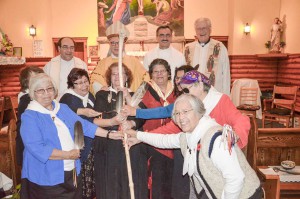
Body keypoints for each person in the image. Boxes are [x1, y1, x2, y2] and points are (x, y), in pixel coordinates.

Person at [125, 94, 262, 198]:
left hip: (245, 195)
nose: (181, 117)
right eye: (177, 114)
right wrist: (137, 136)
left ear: (198, 112)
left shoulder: (215, 138)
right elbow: (164, 140)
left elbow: (235, 178)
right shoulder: (189, 136)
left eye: (186, 111)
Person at [20, 73, 123, 199]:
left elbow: (84, 125)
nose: (46, 94)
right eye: (41, 90)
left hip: (71, 170)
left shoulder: (61, 108)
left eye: (50, 88)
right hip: (46, 177)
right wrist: (67, 155)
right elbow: (37, 148)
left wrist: (109, 135)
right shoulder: (30, 116)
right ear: (33, 93)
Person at [60, 68, 123, 199]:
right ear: (72, 85)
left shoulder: (89, 96)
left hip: (91, 141)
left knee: (91, 183)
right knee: (82, 183)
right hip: (78, 144)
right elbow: (85, 120)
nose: (84, 85)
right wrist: (110, 122)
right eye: (79, 83)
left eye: (85, 81)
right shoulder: (68, 98)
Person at [93, 63, 146, 199]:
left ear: (127, 76)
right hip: (111, 143)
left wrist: (131, 121)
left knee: (131, 181)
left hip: (131, 144)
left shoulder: (135, 95)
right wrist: (115, 120)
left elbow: (142, 116)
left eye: (121, 73)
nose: (117, 77)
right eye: (114, 74)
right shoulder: (102, 95)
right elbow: (100, 117)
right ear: (109, 77)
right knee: (113, 182)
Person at [139, 58, 177, 198]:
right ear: (151, 74)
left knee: (172, 181)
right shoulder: (144, 88)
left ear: (168, 73)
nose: (159, 74)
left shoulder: (177, 89)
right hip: (152, 142)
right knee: (155, 181)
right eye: (155, 72)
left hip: (174, 142)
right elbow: (133, 108)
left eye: (162, 71)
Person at [90, 21, 149, 94]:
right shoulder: (103, 63)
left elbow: (145, 78)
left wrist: (136, 96)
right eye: (113, 43)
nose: (116, 45)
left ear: (124, 44)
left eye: (118, 42)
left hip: (130, 99)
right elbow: (94, 79)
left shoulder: (134, 61)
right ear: (109, 44)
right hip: (109, 100)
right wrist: (103, 90)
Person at [185, 18, 231, 96]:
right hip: (193, 94)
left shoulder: (220, 47)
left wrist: (226, 96)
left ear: (210, 30)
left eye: (204, 28)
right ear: (195, 31)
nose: (201, 31)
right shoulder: (188, 48)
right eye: (198, 28)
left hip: (214, 93)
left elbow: (226, 74)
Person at [16, 66, 44, 167]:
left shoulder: (34, 96)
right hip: (29, 148)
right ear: (25, 82)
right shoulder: (26, 100)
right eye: (35, 78)